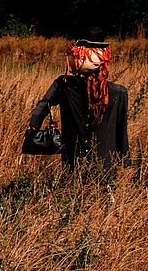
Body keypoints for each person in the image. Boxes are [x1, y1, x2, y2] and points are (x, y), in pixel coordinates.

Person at [29, 27, 129, 169]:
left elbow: (43, 105)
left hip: (76, 158)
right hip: (102, 161)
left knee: (74, 186)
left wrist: (34, 127)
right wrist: (123, 158)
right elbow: (121, 131)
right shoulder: (118, 92)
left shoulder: (63, 86)